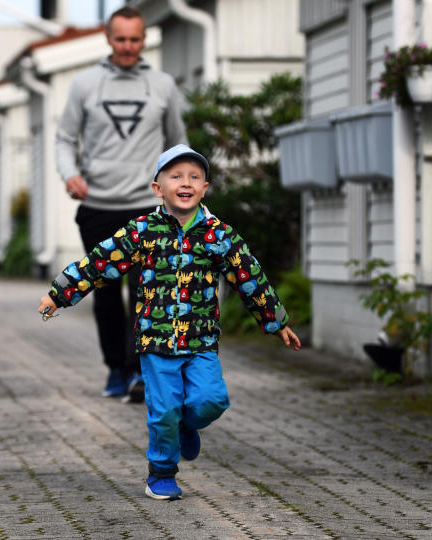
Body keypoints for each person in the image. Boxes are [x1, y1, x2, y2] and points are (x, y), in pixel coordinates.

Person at [38, 144, 302, 501]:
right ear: (157, 188)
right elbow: (101, 262)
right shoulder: (142, 231)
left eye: (194, 177)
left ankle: (186, 425)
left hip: (200, 341)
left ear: (205, 188)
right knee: (163, 410)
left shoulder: (217, 235)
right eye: (176, 176)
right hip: (155, 342)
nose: (186, 183)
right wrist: (60, 294)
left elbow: (248, 275)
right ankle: (161, 472)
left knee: (212, 399)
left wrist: (275, 320)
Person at [55, 6, 188, 403]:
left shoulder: (163, 85)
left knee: (147, 292)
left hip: (148, 207)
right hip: (98, 207)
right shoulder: (85, 85)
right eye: (121, 39)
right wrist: (70, 175)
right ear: (109, 39)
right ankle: (115, 367)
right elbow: (64, 139)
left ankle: (138, 373)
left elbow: (178, 145)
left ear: (144, 40)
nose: (128, 47)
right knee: (107, 292)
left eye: (135, 39)